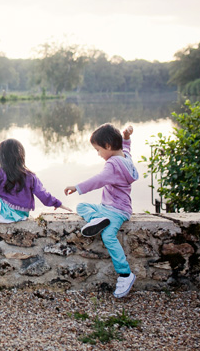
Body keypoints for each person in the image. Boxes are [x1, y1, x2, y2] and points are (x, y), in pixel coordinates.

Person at [64, 124, 139, 298]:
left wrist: (77, 187)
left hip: (117, 211)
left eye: (98, 150)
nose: (98, 154)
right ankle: (97, 219)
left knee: (108, 236)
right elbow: (126, 148)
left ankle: (125, 274)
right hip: (109, 207)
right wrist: (126, 138)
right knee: (81, 206)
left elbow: (99, 180)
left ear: (107, 146)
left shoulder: (113, 165)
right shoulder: (126, 158)